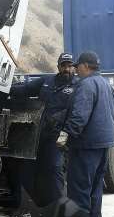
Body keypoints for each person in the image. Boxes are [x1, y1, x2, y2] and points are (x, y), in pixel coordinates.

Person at [9, 53, 77, 206]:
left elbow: (78, 113)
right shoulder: (47, 81)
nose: (67, 69)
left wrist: (65, 131)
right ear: (58, 66)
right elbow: (26, 89)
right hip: (40, 133)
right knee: (27, 168)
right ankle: (36, 203)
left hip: (60, 135)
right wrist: (6, 88)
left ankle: (60, 206)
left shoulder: (77, 86)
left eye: (69, 66)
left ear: (73, 67)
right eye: (64, 65)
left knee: (54, 168)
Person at [57, 50, 114, 217]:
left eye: (77, 67)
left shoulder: (86, 85)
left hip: (86, 146)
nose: (75, 70)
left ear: (85, 66)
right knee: (95, 191)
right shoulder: (106, 84)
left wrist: (65, 136)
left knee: (79, 191)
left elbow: (79, 116)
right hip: (103, 145)